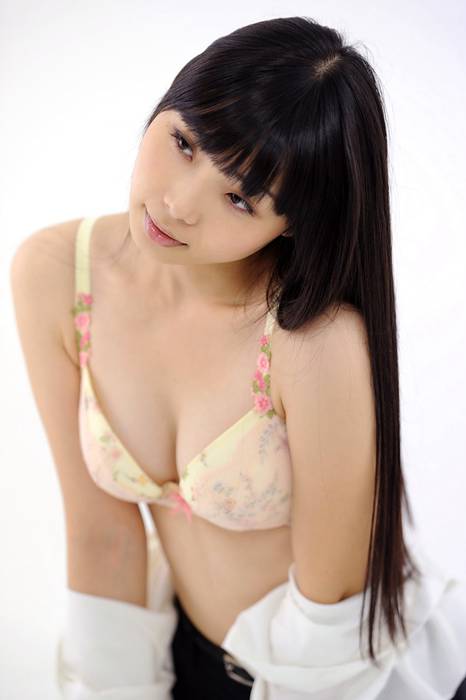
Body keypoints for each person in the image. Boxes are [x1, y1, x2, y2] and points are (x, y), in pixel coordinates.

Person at [10, 15, 466, 700]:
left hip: (340, 676)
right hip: (187, 657)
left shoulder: (311, 342)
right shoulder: (55, 274)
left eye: (239, 198)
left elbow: (331, 614)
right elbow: (102, 535)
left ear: (294, 223)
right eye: (184, 143)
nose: (178, 203)